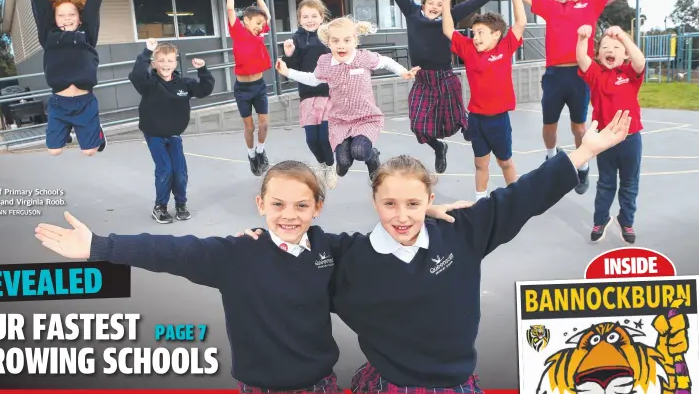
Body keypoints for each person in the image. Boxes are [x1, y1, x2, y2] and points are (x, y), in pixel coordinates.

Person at [240, 111, 632, 392]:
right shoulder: (348, 254)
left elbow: (522, 197)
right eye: (389, 204)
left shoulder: (461, 233)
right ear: (374, 201)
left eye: (413, 204)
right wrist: (256, 237)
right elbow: (293, 235)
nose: (401, 216)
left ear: (429, 199)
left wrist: (585, 152)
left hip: (454, 383)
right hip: (387, 384)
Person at [34, 162, 460, 393]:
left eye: (300, 206)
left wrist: (429, 216)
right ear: (261, 205)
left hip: (320, 384)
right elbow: (168, 250)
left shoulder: (331, 248)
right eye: (278, 204)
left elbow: (387, 234)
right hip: (261, 387)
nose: (288, 215)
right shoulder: (236, 254)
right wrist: (97, 247)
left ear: (317, 209)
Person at [373, 0, 503, 173]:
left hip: (444, 77)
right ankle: (439, 147)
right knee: (418, 125)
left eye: (440, 4)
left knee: (455, 120)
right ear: (423, 5)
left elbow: (474, 2)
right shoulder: (413, 14)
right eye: (430, 2)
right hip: (422, 79)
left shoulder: (449, 20)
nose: (435, 6)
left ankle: (470, 128)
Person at [520, 0, 626, 194]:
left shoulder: (592, 3)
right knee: (549, 125)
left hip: (581, 74)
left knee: (579, 126)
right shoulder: (552, 7)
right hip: (554, 74)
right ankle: (550, 155)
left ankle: (582, 166)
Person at [275, 16, 419, 180]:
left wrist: (403, 72)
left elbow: (386, 61)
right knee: (342, 165)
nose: (341, 45)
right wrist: (288, 73)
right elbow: (312, 79)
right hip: (340, 120)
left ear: (354, 41)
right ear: (328, 43)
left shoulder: (363, 58)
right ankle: (346, 155)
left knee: (359, 151)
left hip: (365, 118)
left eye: (346, 40)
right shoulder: (326, 63)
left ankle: (372, 157)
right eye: (335, 41)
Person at [442, 0, 525, 201]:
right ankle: (480, 200)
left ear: (496, 35)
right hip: (476, 118)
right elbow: (448, 30)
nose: (475, 37)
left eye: (481, 33)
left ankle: (516, 197)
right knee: (480, 162)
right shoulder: (468, 49)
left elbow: (520, 23)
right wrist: (447, 4)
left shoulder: (505, 48)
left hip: (498, 119)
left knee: (505, 161)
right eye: (474, 32)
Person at [128, 39, 215, 224]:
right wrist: (147, 51)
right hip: (154, 134)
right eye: (161, 60)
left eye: (169, 60)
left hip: (174, 134)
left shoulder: (184, 84)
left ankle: (181, 205)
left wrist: (203, 69)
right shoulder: (149, 84)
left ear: (175, 63)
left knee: (179, 170)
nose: (165, 64)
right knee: (165, 169)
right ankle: (160, 207)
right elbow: (136, 75)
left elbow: (204, 89)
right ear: (154, 64)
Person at [28, 0, 107, 156]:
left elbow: (93, 9)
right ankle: (66, 133)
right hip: (59, 103)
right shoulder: (48, 37)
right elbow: (40, 8)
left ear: (79, 18)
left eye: (72, 14)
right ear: (54, 19)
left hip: (85, 101)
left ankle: (97, 134)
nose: (67, 18)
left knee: (89, 151)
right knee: (54, 151)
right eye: (61, 15)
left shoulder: (86, 35)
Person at [576, 25, 645, 244]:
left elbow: (640, 61)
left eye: (617, 46)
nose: (610, 49)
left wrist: (623, 36)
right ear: (598, 54)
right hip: (605, 139)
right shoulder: (596, 74)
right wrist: (581, 38)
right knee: (606, 183)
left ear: (625, 53)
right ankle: (601, 219)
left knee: (630, 183)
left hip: (631, 138)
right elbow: (581, 59)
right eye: (605, 46)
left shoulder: (630, 74)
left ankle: (626, 220)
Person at [282, 0, 337, 189]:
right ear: (299, 19)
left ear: (322, 17)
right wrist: (289, 55)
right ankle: (321, 164)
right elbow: (291, 70)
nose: (310, 19)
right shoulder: (296, 40)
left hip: (329, 94)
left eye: (314, 15)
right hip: (307, 95)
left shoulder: (329, 36)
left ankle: (331, 166)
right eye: (305, 16)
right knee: (312, 139)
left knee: (324, 137)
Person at [227, 0, 273, 176]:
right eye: (257, 23)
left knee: (264, 124)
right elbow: (230, 10)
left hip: (259, 86)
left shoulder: (260, 34)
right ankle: (251, 154)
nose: (261, 26)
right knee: (250, 127)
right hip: (243, 88)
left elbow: (267, 15)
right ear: (245, 20)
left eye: (262, 24)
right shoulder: (238, 31)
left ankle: (261, 151)